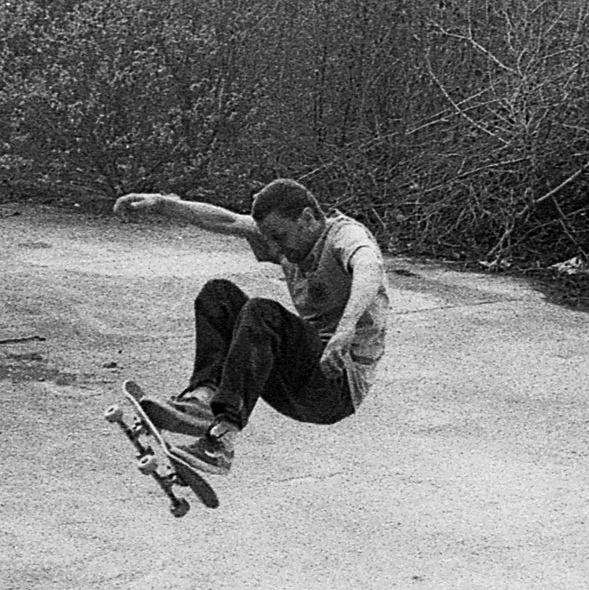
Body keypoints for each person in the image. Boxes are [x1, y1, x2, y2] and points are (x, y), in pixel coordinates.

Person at [110, 177, 388, 475]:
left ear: (308, 218)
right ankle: (202, 400)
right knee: (218, 294)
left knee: (262, 312)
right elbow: (227, 220)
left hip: (336, 387)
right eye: (269, 238)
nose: (273, 247)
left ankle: (221, 442)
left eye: (279, 237)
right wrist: (164, 204)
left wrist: (346, 328)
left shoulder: (344, 236)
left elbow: (369, 265)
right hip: (296, 376)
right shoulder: (285, 233)